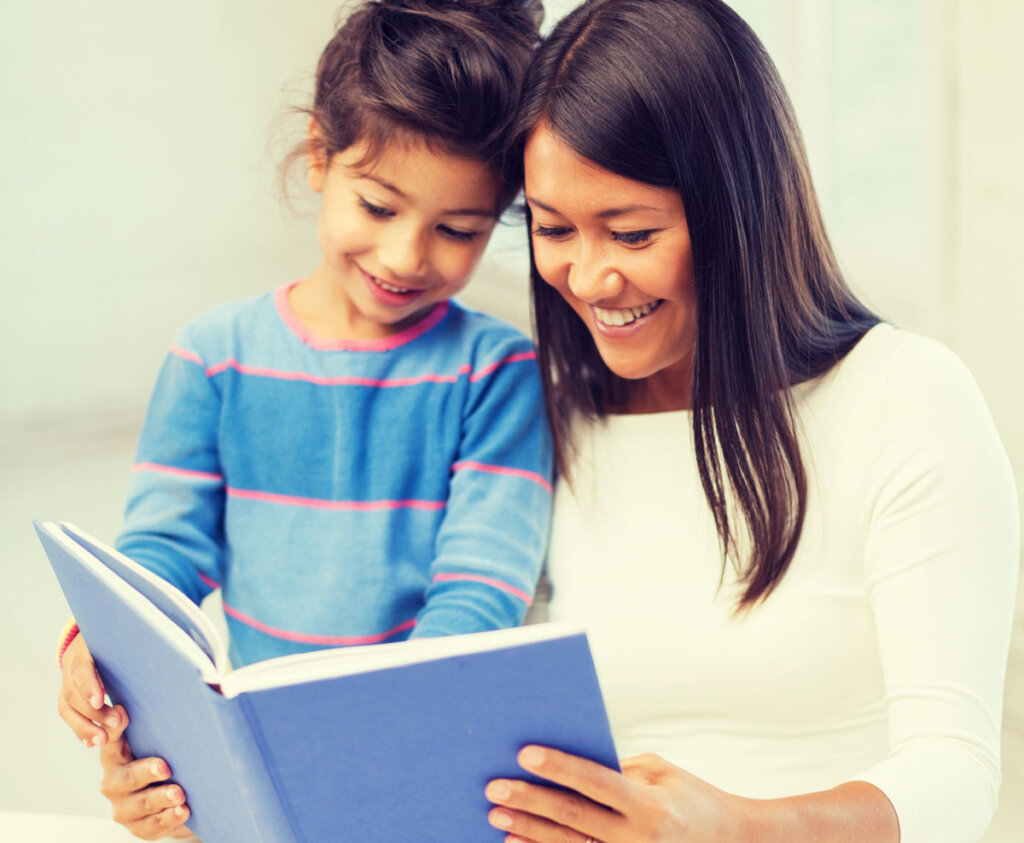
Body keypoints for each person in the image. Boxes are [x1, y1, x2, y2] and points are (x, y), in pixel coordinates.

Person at [483, 1, 1019, 841]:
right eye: (553, 229)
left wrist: (735, 827)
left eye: (631, 234)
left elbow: (957, 777)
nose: (587, 278)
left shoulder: (904, 397)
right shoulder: (549, 421)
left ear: (738, 209)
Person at [56, 0, 549, 837]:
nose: (405, 256)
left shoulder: (495, 373)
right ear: (320, 154)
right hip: (268, 764)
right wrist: (98, 644)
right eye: (379, 207)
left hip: (425, 753)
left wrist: (386, 730)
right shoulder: (213, 357)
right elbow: (163, 555)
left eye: (458, 229)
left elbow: (479, 592)